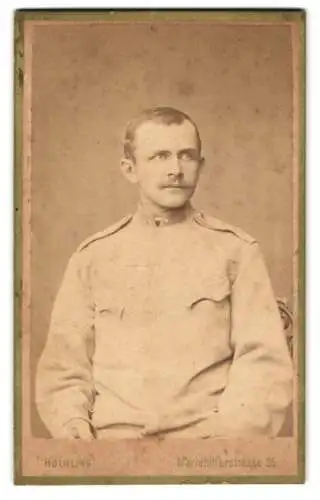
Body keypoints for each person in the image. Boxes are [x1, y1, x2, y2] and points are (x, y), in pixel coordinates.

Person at [35, 106, 293, 440]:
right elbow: (64, 367)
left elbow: (264, 365)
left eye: (186, 156)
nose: (175, 170)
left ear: (200, 166)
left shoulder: (237, 252)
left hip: (207, 447)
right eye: (159, 157)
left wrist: (228, 437)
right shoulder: (94, 257)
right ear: (130, 169)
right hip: (111, 446)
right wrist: (73, 426)